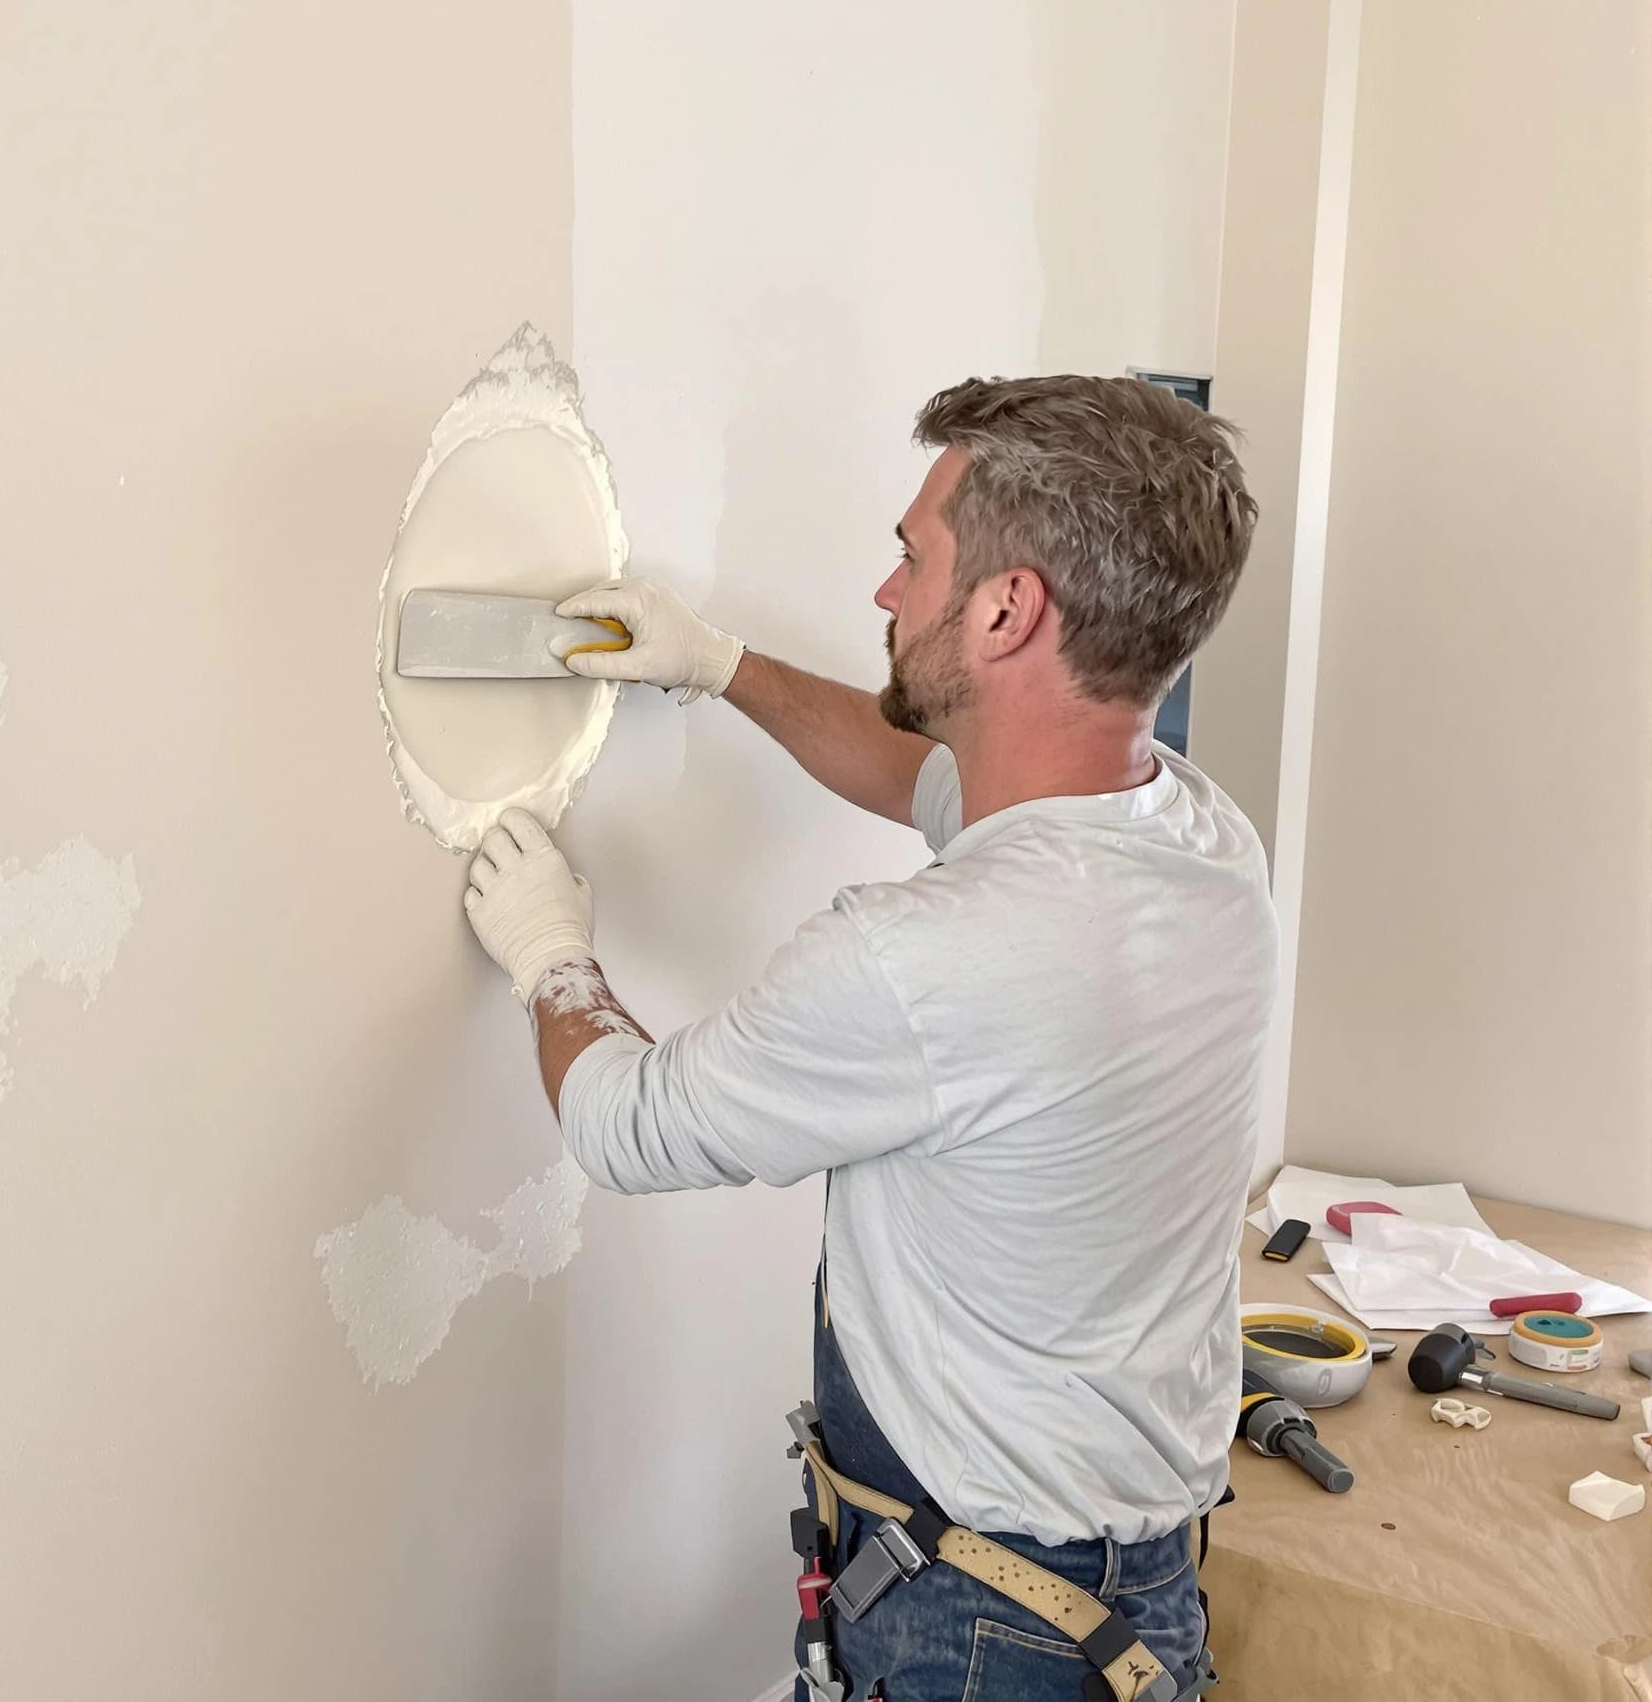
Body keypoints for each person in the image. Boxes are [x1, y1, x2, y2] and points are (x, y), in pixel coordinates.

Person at [461, 376, 1273, 1702]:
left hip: (986, 1627)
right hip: (1121, 1595)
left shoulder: (927, 960)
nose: (888, 593)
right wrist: (719, 667)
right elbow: (927, 779)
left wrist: (553, 956)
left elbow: (626, 1124)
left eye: (914, 558)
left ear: (1007, 611)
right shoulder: (1198, 839)